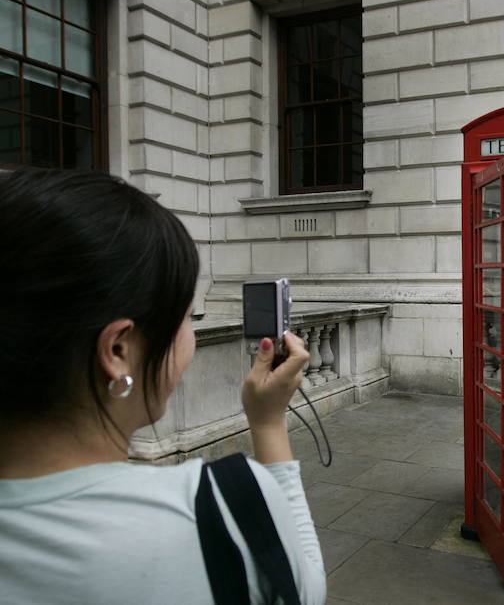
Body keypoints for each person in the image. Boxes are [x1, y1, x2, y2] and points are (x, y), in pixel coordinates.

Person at [0, 170, 326, 604]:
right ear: (117, 349)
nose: (189, 341)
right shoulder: (220, 505)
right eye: (187, 319)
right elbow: (302, 588)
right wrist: (267, 423)